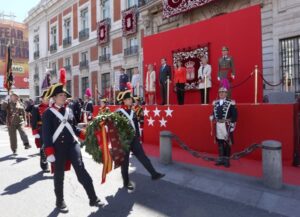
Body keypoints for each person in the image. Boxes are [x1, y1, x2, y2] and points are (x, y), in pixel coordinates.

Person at [42, 83, 103, 213]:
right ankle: (60, 201)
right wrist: (49, 152)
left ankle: (93, 197)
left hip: (72, 145)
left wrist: (85, 134)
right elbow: (46, 134)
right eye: (61, 95)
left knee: (82, 171)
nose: (64, 97)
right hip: (58, 149)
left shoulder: (68, 110)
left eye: (65, 95)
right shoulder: (48, 114)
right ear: (54, 97)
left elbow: (73, 128)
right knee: (59, 176)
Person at [116, 90, 165, 190]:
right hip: (124, 141)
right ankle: (126, 182)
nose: (131, 101)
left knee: (143, 157)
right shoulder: (118, 113)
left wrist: (138, 138)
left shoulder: (133, 112)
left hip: (134, 140)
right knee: (124, 163)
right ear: (124, 101)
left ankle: (154, 174)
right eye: (129, 99)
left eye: (131, 99)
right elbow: (116, 128)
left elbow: (136, 126)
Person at [210, 87, 237, 168]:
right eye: (220, 92)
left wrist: (232, 124)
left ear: (226, 93)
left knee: (227, 142)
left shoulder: (231, 103)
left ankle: (226, 160)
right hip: (218, 125)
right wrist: (212, 116)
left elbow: (235, 115)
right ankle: (221, 159)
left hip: (226, 125)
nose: (221, 93)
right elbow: (213, 112)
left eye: (223, 92)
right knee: (220, 142)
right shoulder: (216, 103)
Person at [31, 90, 50, 172]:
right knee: (43, 147)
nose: (47, 100)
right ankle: (44, 165)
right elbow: (33, 121)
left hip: (52, 129)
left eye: (48, 98)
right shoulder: (36, 108)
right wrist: (35, 132)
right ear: (42, 99)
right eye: (45, 98)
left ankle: (55, 165)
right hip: (42, 129)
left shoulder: (52, 107)